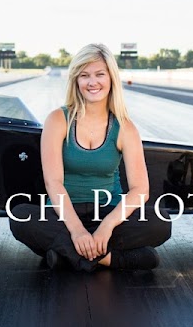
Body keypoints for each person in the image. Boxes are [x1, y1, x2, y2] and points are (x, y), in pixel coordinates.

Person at [9, 43, 170, 271]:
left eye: (99, 74)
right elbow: (53, 182)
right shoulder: (58, 120)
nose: (92, 82)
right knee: (20, 217)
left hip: (107, 210)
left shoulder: (124, 127)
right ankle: (111, 259)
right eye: (84, 75)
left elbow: (140, 190)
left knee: (160, 221)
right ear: (76, 81)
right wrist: (77, 230)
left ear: (111, 78)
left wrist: (107, 226)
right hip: (63, 214)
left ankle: (67, 255)